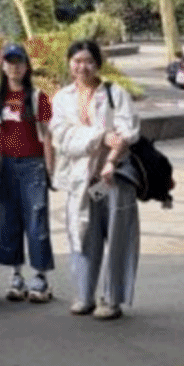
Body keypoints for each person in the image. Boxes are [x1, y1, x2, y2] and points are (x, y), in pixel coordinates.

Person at [51, 40, 140, 320]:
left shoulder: (115, 93)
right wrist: (100, 136)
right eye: (77, 61)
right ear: (69, 63)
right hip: (82, 179)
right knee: (82, 234)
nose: (82, 67)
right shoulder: (62, 98)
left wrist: (111, 160)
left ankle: (112, 299)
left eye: (88, 61)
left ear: (98, 64)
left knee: (118, 237)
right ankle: (84, 294)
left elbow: (128, 131)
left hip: (114, 178)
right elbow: (62, 137)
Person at [0, 44, 55, 303]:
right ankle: (16, 274)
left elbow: (48, 135)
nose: (14, 67)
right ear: (2, 66)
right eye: (9, 62)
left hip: (33, 164)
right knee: (7, 219)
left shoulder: (38, 97)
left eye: (19, 62)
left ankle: (40, 276)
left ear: (27, 66)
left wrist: (50, 168)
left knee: (36, 220)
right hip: (5, 164)